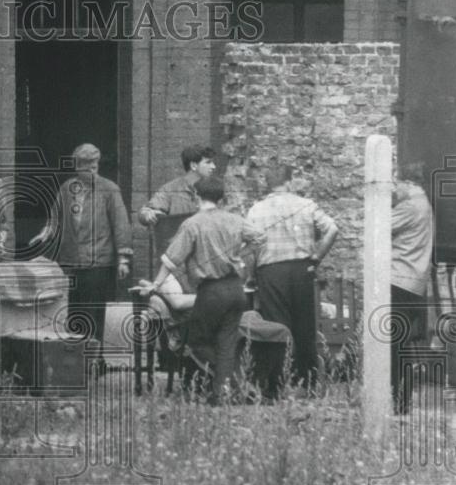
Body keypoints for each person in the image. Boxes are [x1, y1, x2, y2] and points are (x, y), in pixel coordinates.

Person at [137, 176, 264, 404]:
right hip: (236, 289)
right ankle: (223, 394)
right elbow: (260, 238)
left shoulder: (192, 223)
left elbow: (170, 259)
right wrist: (239, 258)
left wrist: (155, 285)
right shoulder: (235, 219)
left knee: (196, 343)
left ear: (196, 197)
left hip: (211, 291)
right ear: (221, 199)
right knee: (226, 342)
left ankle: (233, 382)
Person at [29, 143, 132, 350]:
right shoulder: (67, 188)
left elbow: (121, 224)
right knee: (75, 309)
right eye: (87, 167)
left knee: (94, 311)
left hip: (99, 261)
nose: (92, 171)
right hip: (72, 260)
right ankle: (75, 358)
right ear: (77, 167)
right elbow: (55, 218)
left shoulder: (109, 189)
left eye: (94, 166)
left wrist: (123, 259)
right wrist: (44, 233)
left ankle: (95, 358)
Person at [245, 165, 339, 392]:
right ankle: (308, 382)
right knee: (305, 325)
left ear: (267, 182)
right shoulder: (306, 205)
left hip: (271, 271)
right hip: (302, 270)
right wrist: (315, 258)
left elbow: (251, 247)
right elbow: (332, 229)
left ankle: (276, 385)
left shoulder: (256, 210)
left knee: (277, 326)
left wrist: (251, 275)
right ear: (290, 181)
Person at [390, 166, 433, 414]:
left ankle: (398, 401)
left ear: (407, 182)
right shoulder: (424, 203)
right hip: (414, 282)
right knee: (403, 345)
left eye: (397, 184)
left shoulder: (410, 206)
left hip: (400, 281)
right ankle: (401, 400)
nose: (395, 190)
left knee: (394, 345)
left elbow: (378, 225)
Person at [138, 144, 217, 227]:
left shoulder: (216, 188)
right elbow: (147, 211)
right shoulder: (170, 189)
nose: (214, 166)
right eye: (208, 162)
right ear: (194, 165)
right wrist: (148, 214)